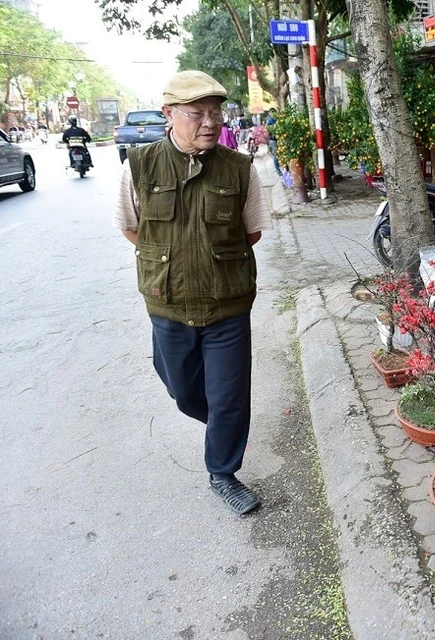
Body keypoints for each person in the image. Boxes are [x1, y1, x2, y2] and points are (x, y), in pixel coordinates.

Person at [112, 70, 271, 515]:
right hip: (167, 302)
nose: (209, 121)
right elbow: (131, 227)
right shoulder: (139, 165)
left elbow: (251, 232)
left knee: (229, 395)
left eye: (216, 112)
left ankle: (222, 471)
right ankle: (221, 422)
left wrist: (209, 260)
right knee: (183, 391)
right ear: (169, 115)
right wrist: (173, 260)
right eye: (197, 113)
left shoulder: (239, 169)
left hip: (228, 303)